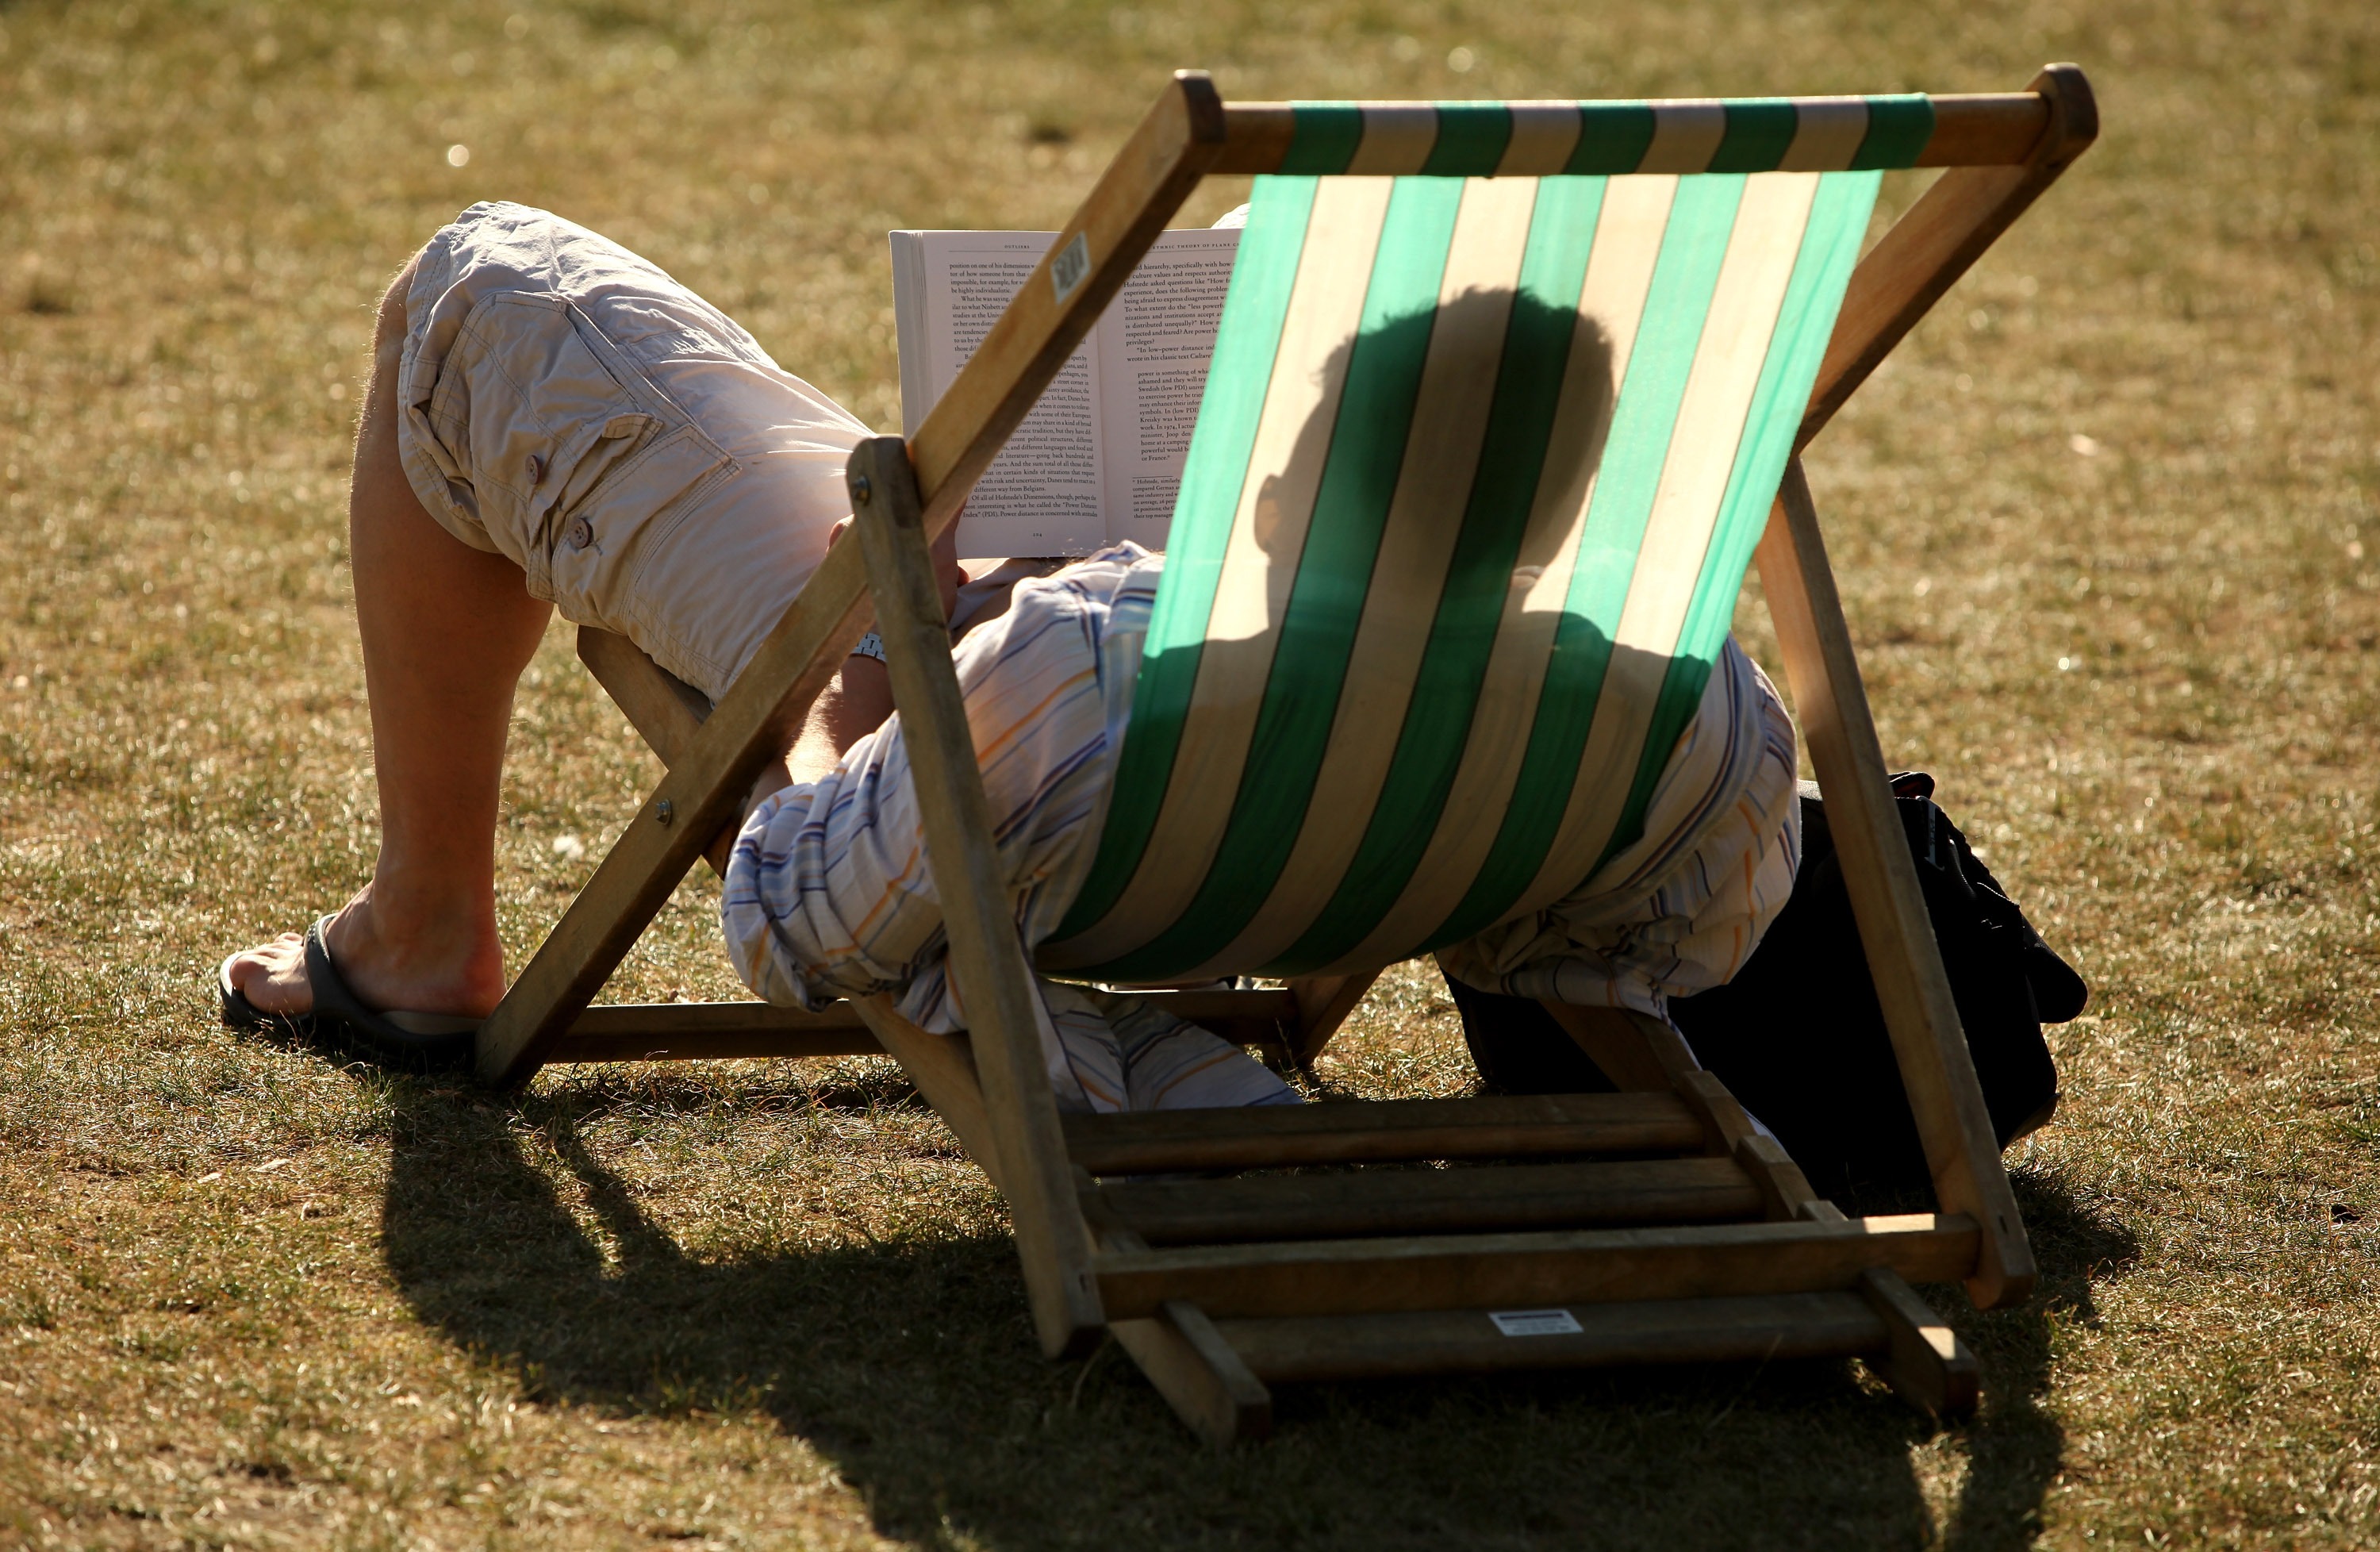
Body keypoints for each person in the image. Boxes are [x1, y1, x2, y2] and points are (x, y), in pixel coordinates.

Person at [222, 202, 1801, 1114]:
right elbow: (1654, 954)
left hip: (1030, 720)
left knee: (481, 287)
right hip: (1278, 758)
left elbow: (793, 912)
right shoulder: (1701, 723)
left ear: (1276, 500)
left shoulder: (1061, 680)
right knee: (1267, 239)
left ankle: (423, 933)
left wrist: (875, 638)